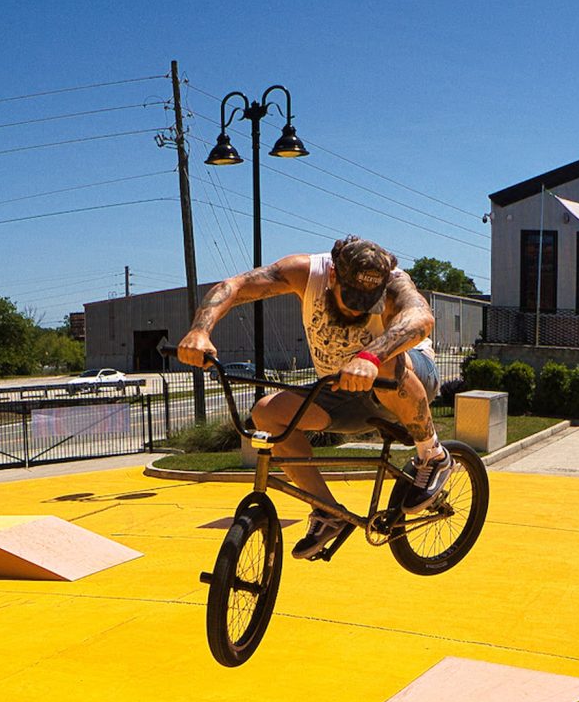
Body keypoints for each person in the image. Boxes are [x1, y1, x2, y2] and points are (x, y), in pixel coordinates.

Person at [177, 236, 445, 560]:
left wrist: (370, 357)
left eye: (367, 302)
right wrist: (200, 331)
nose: (358, 309)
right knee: (267, 414)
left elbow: (421, 319)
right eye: (350, 299)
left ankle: (433, 455)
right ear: (332, 276)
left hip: (409, 377)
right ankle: (327, 511)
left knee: (387, 362)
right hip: (341, 388)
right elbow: (232, 286)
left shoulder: (393, 281)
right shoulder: (305, 272)